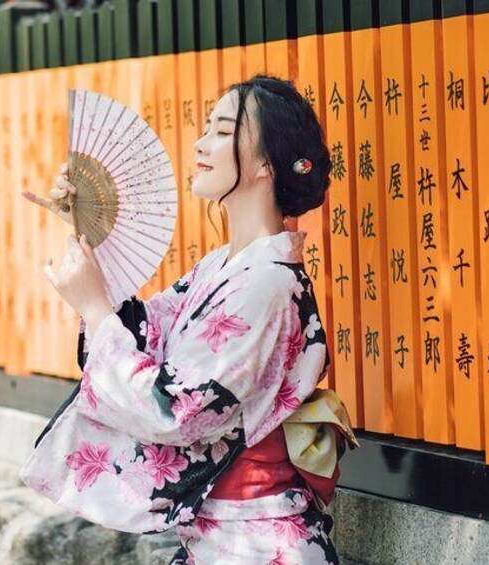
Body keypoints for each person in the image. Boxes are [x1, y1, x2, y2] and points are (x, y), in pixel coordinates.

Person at [20, 75, 358, 564]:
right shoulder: (223, 268)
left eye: (222, 131)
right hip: (227, 539)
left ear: (266, 163)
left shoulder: (266, 284)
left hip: (260, 542)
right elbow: (144, 338)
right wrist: (90, 234)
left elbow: (174, 409)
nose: (201, 144)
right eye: (205, 129)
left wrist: (95, 310)